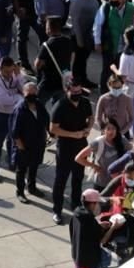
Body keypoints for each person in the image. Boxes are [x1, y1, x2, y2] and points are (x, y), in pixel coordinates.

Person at [49, 79, 92, 223]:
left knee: (78, 178)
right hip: (65, 147)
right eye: (73, 92)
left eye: (79, 91)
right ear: (67, 90)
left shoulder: (85, 103)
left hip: (81, 146)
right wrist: (72, 134)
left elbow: (91, 118)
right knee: (61, 180)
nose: (77, 94)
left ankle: (75, 204)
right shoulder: (60, 106)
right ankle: (57, 210)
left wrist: (88, 129)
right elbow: (53, 129)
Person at [68, 189, 123, 268]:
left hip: (78, 258)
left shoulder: (76, 214)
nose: (98, 205)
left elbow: (84, 231)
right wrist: (113, 227)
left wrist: (98, 225)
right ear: (92, 204)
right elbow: (102, 240)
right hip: (89, 264)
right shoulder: (90, 220)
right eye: (97, 203)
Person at [0, 57, 25, 181]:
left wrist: (18, 76)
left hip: (14, 113)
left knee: (13, 140)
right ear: (0, 68)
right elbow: (4, 101)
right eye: (7, 72)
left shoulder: (15, 74)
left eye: (11, 71)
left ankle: (12, 162)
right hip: (0, 114)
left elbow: (24, 90)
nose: (9, 75)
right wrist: (19, 98)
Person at [93, 0, 134, 93]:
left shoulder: (131, 9)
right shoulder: (106, 8)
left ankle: (118, 92)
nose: (111, 1)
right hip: (109, 45)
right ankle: (104, 92)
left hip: (125, 48)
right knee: (107, 70)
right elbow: (97, 25)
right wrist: (97, 42)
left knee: (121, 71)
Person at [76, 117, 125, 191]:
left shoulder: (122, 140)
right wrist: (94, 166)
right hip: (101, 184)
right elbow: (78, 158)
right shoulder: (98, 143)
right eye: (108, 129)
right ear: (103, 130)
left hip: (117, 183)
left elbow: (132, 153)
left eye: (114, 128)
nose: (111, 131)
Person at [68, 0, 99, 87]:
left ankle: (83, 78)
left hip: (90, 31)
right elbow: (75, 22)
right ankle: (78, 80)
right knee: (79, 59)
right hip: (80, 34)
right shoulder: (76, 0)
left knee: (84, 58)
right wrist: (80, 41)